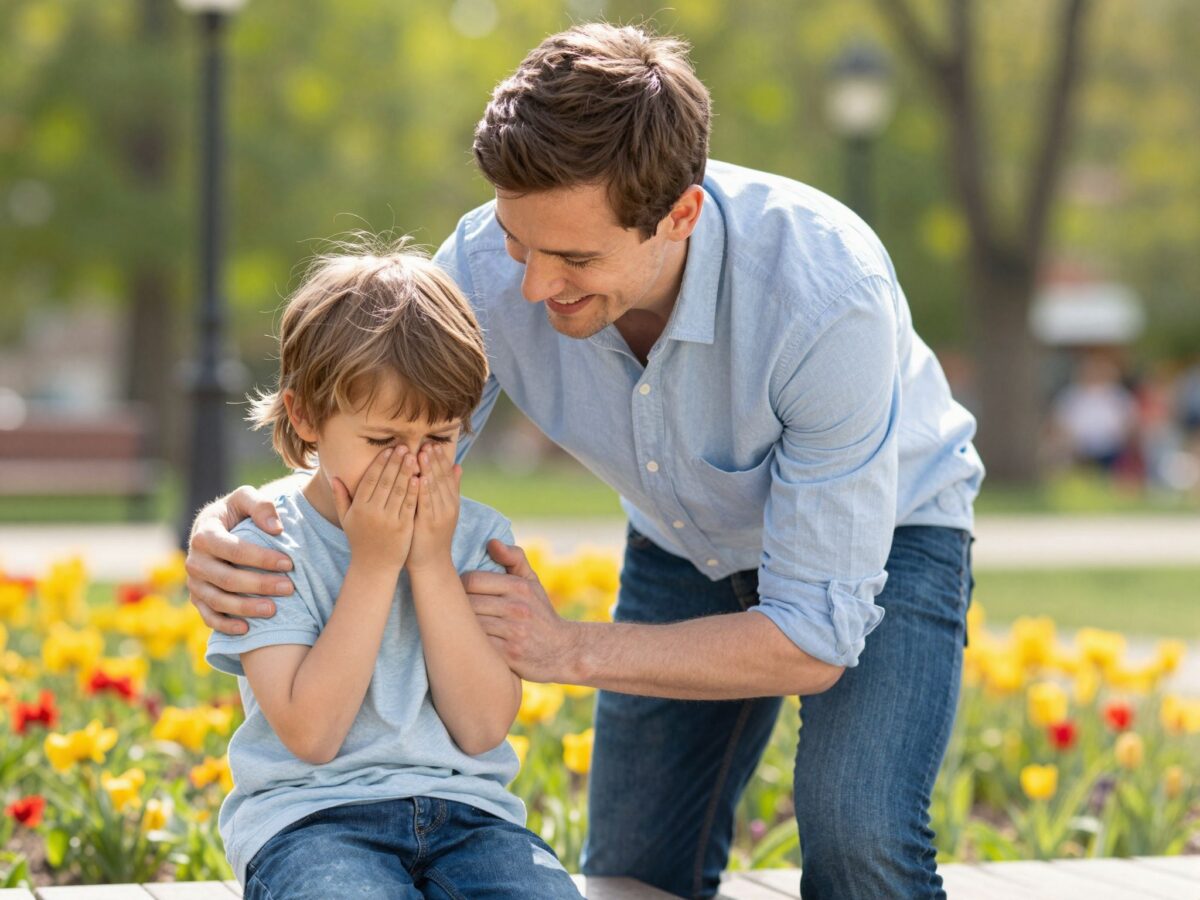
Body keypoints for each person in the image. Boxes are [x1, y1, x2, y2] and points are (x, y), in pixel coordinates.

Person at [186, 24, 985, 900]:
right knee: (635, 871)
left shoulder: (826, 295)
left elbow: (813, 639)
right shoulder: (489, 270)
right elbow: (389, 422)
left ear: (679, 214)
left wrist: (567, 648)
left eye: (573, 258)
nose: (529, 288)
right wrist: (235, 519)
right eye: (520, 243)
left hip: (884, 539)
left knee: (861, 840)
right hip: (685, 540)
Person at [202, 244, 583, 899]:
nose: (412, 465)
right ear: (305, 417)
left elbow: (483, 726)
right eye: (383, 441)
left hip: (474, 823)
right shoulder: (266, 542)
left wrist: (431, 562)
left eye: (438, 439)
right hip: (311, 823)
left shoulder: (476, 536)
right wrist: (374, 567)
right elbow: (312, 735)